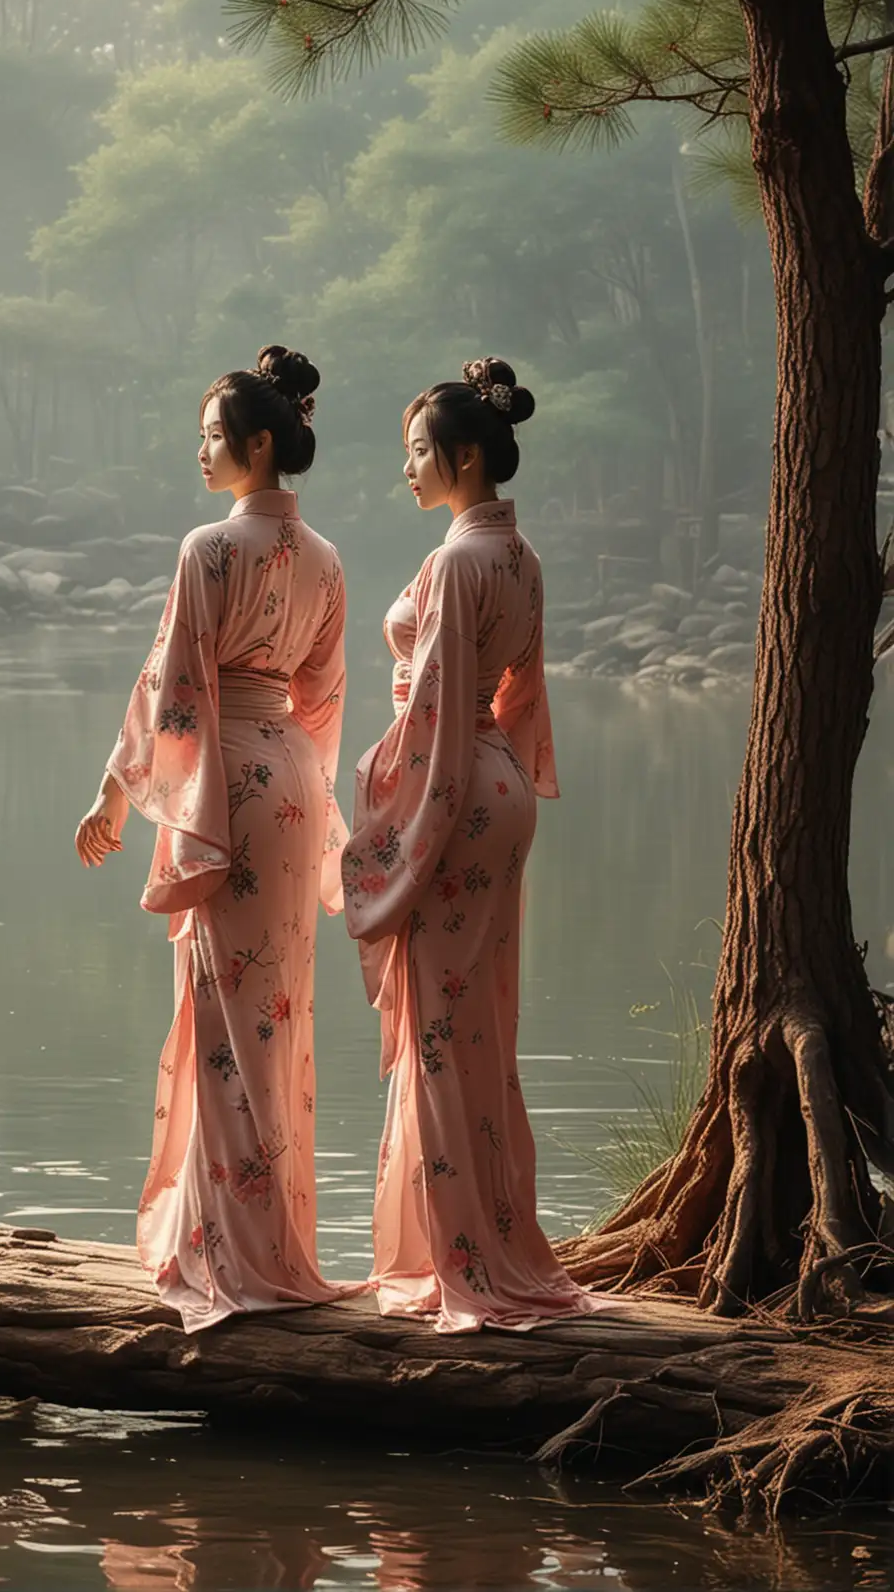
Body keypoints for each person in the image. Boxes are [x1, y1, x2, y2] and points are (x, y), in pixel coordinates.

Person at [76, 345, 349, 1332]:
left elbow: (173, 690)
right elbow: (322, 699)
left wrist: (117, 791)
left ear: (259, 442)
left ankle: (228, 1252)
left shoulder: (209, 550)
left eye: (211, 437)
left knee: (228, 1020)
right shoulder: (324, 559)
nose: (200, 453)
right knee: (272, 1016)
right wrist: (306, 791)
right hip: (291, 780)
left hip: (227, 779)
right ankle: (265, 1240)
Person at [342, 358, 601, 1331]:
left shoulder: (458, 561)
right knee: (475, 1028)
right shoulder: (518, 554)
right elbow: (514, 697)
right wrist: (510, 777)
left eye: (417, 454)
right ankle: (475, 1243)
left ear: (461, 457)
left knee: (446, 1036)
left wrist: (401, 839)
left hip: (460, 794)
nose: (406, 470)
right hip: (504, 788)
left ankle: (465, 1266)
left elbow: (443, 715)